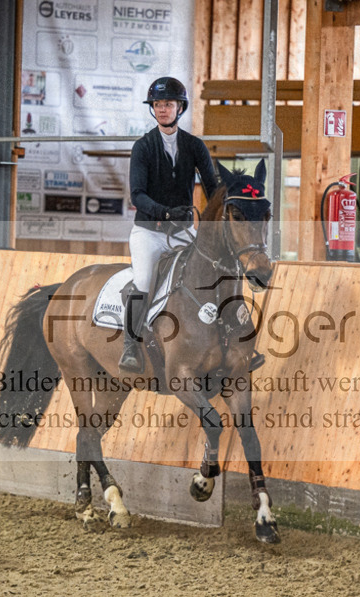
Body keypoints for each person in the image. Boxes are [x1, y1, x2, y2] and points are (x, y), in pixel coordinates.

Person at [120, 76, 219, 374]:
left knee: (210, 275)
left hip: (183, 232)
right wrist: (164, 213)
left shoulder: (195, 146)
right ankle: (130, 346)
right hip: (149, 233)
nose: (163, 109)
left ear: (180, 108)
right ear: (153, 109)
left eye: (169, 104)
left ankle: (226, 340)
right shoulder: (143, 147)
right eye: (158, 104)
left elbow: (212, 189)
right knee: (144, 280)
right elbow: (137, 194)